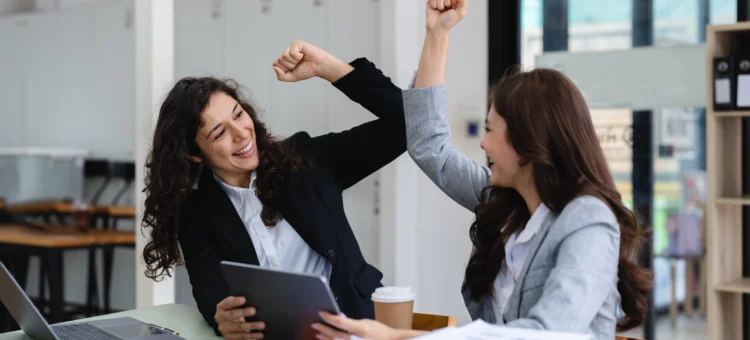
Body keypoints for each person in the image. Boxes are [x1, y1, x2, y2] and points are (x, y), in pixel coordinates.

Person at [313, 1, 652, 339]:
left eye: (491, 131)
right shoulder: (506, 203)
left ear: (528, 143)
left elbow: (547, 334)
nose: (483, 144)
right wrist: (437, 33)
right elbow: (429, 146)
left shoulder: (587, 220)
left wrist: (399, 337)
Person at [141, 40, 405, 339]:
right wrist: (223, 318)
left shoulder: (306, 160)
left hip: (357, 327)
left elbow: (408, 122)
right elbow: (211, 295)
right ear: (194, 154)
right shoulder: (197, 211)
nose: (241, 134)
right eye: (219, 133)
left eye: (239, 115)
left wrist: (328, 68)